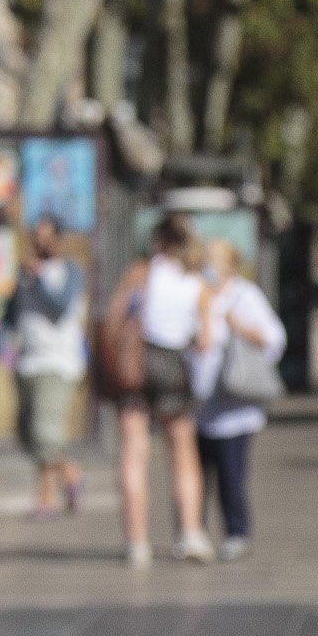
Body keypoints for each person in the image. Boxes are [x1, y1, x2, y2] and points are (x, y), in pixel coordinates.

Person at [102, 214, 213, 566]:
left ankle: (138, 543)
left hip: (137, 364)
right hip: (174, 365)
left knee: (134, 452)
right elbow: (205, 341)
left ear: (159, 240)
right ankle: (191, 533)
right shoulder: (198, 283)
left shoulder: (142, 273)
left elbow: (112, 319)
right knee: (183, 453)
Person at [194, 242, 287, 560]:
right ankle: (194, 531)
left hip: (235, 406)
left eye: (214, 260)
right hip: (197, 402)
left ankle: (236, 531)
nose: (208, 266)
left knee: (230, 472)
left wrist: (241, 327)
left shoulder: (244, 295)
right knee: (195, 473)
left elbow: (275, 337)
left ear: (229, 265)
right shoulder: (196, 292)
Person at [0, 213, 87, 520]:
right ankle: (56, 489)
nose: (40, 242)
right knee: (26, 434)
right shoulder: (25, 273)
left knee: (45, 433)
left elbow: (59, 309)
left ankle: (58, 485)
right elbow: (11, 313)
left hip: (58, 361)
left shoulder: (70, 271)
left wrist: (36, 280)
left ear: (58, 239)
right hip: (28, 360)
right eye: (36, 236)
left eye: (46, 236)